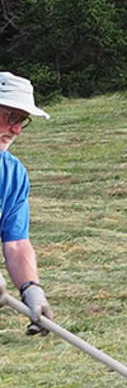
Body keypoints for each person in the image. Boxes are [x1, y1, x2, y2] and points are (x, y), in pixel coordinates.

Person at [0, 71, 54, 335]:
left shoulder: (12, 175)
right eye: (11, 117)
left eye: (22, 121)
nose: (17, 130)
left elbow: (16, 241)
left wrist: (31, 289)